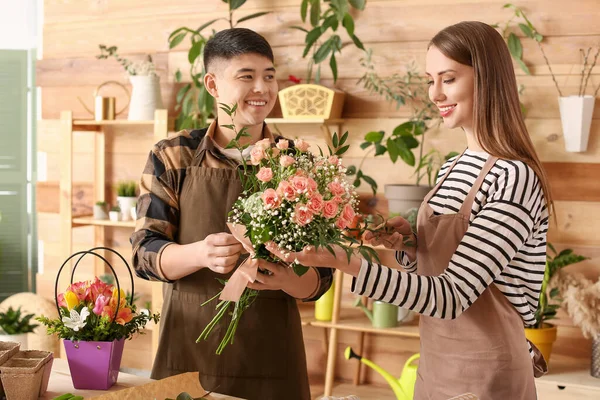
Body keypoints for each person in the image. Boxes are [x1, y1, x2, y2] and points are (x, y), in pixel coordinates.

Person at [266, 21, 551, 400]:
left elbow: (450, 295)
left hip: (488, 376)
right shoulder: (452, 167)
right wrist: (409, 245)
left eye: (448, 79)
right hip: (436, 367)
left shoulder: (513, 177)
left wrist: (347, 262)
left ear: (487, 79)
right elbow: (437, 270)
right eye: (430, 80)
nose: (435, 93)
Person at [130, 27, 333, 400]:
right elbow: (144, 254)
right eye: (247, 76)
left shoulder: (296, 162)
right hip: (186, 355)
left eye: (269, 76)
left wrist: (287, 279)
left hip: (272, 358)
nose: (263, 88)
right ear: (212, 84)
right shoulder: (172, 155)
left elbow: (321, 276)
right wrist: (200, 253)